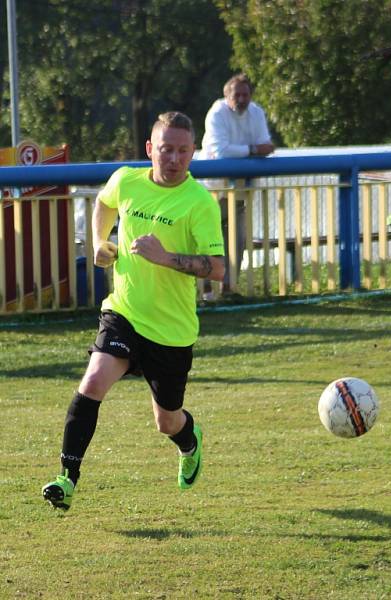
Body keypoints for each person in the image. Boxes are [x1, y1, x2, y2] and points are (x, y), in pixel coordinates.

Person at [41, 112, 226, 510]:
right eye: (166, 149)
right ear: (150, 149)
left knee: (167, 421)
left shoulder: (200, 204)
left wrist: (165, 257)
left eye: (182, 151)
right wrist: (98, 241)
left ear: (193, 151)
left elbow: (218, 269)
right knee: (92, 383)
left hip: (171, 332)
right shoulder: (126, 180)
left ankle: (189, 442)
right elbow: (104, 204)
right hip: (123, 312)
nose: (174, 158)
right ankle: (66, 479)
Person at [198, 73, 274, 299]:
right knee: (209, 240)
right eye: (236, 94)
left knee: (237, 240)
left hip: (240, 187)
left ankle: (229, 287)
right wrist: (252, 150)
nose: (241, 99)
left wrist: (250, 150)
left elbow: (267, 145)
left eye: (245, 94)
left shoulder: (257, 112)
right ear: (226, 95)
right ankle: (207, 290)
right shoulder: (217, 112)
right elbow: (220, 152)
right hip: (211, 188)